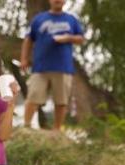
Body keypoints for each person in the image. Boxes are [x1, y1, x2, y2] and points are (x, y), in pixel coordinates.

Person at [19, 0, 85, 131]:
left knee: (61, 101)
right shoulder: (39, 19)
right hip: (40, 67)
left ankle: (57, 130)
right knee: (33, 97)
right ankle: (26, 126)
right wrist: (24, 59)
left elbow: (81, 39)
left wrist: (68, 38)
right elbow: (28, 39)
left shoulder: (71, 20)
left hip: (63, 67)